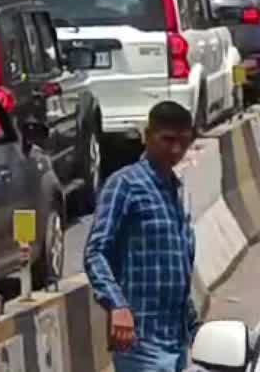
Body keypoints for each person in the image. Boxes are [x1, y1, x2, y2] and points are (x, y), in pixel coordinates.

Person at [85, 101, 197, 372]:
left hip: (177, 341)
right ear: (148, 136)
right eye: (167, 140)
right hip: (141, 342)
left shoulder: (173, 191)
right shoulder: (125, 185)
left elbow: (176, 267)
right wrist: (117, 305)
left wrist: (196, 327)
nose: (176, 150)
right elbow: (95, 252)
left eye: (183, 142)